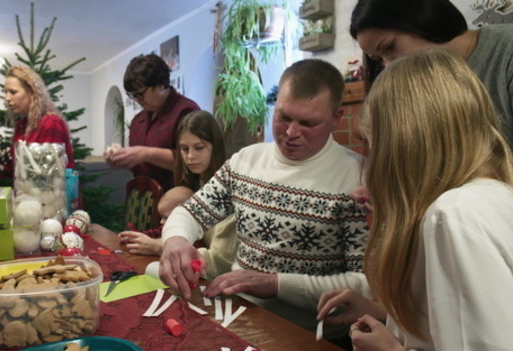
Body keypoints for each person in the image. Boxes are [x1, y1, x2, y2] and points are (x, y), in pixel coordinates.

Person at [327, 48, 513, 351]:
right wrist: (385, 313)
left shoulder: (453, 216)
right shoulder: (511, 195)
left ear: (399, 146)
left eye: (371, 145)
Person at [159, 59, 370, 343]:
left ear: (336, 118)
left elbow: (364, 286)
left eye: (308, 123)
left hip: (312, 336)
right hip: (239, 319)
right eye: (283, 117)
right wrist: (175, 240)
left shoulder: (358, 179)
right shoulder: (246, 161)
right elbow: (191, 213)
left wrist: (275, 285)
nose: (291, 133)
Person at [349, 0, 513, 183]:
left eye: (390, 47)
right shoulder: (412, 84)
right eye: (379, 59)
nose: (388, 66)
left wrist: (455, 196)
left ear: (422, 19)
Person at [119, 110, 237, 279]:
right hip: (198, 273)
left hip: (222, 279)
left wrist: (158, 246)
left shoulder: (227, 188)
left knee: (151, 271)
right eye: (184, 148)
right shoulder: (194, 184)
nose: (190, 156)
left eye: (199, 147)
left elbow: (221, 260)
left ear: (215, 147)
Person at [103, 54, 200, 191]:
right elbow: (139, 165)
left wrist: (146, 153)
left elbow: (194, 160)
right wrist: (120, 159)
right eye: (132, 95)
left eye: (140, 94)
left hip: (177, 201)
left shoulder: (186, 112)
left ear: (161, 85)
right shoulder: (138, 121)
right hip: (143, 200)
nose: (136, 100)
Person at [0, 66, 75, 174]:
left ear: (32, 93)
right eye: (6, 92)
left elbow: (46, 177)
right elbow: (18, 173)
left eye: (13, 92)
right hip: (27, 190)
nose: (7, 98)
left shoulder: (50, 123)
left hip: (49, 190)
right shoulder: (22, 125)